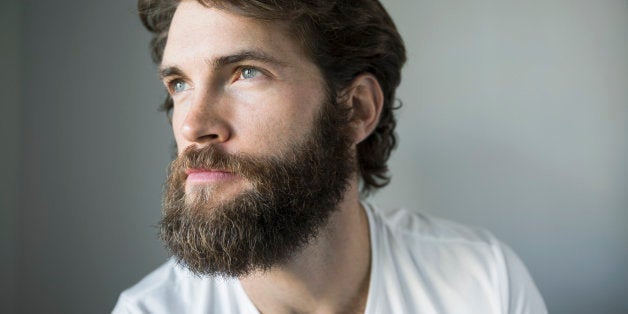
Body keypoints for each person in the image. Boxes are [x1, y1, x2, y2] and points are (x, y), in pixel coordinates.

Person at [113, 0, 547, 313]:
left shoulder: (483, 283)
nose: (191, 126)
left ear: (356, 109)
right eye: (180, 83)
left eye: (246, 72)